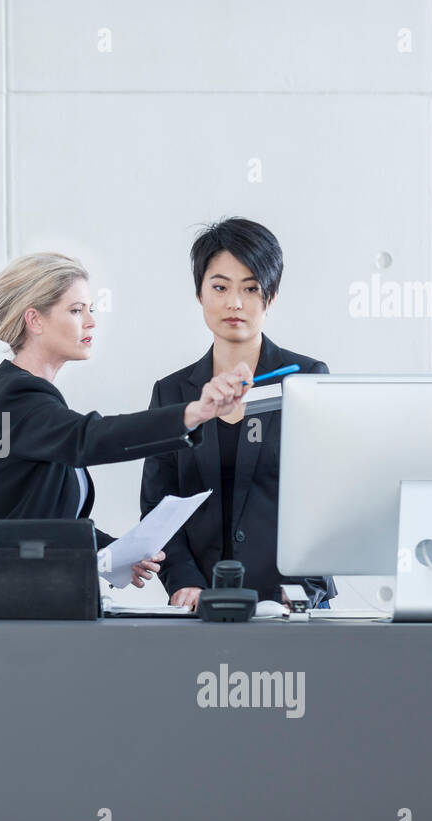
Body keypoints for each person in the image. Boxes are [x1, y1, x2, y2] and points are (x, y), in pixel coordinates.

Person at [0, 252, 252, 614]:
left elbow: (39, 522)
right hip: (3, 612)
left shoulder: (26, 397)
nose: (91, 322)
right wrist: (195, 412)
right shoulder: (14, 397)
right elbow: (90, 438)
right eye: (76, 311)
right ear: (34, 320)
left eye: (91, 309)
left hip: (25, 609)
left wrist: (111, 553)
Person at [140, 218, 336, 611]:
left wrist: (298, 589)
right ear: (200, 294)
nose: (234, 302)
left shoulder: (305, 380)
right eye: (220, 287)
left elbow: (327, 502)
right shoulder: (172, 392)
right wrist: (184, 583)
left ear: (271, 296)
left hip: (291, 607)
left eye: (251, 288)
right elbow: (157, 506)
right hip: (201, 605)